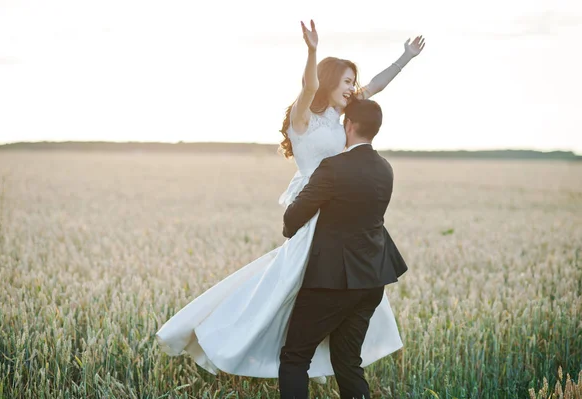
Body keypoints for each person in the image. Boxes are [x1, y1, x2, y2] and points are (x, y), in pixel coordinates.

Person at [156, 19, 424, 381]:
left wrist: (405, 57)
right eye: (345, 81)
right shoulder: (302, 119)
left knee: (309, 288)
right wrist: (312, 51)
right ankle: (244, 343)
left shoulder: (341, 116)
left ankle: (308, 355)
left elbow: (375, 85)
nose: (351, 88)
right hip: (313, 208)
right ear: (330, 82)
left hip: (334, 210)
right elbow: (308, 84)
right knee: (284, 290)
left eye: (352, 82)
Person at [279, 98, 407, 399]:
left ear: (348, 125)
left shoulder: (334, 168)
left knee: (295, 358)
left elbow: (296, 214)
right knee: (348, 361)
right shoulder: (384, 168)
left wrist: (289, 230)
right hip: (372, 279)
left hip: (331, 281)